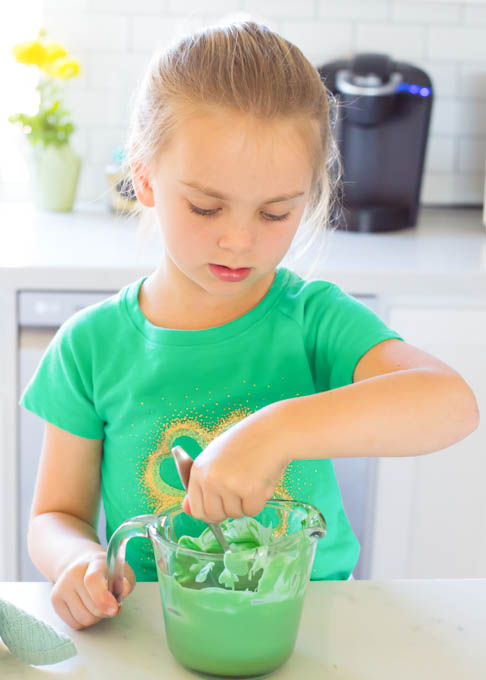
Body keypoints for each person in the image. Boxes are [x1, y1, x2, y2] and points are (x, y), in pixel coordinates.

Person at [20, 21, 479, 631]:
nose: (239, 240)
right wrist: (77, 561)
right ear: (147, 177)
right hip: (158, 626)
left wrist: (273, 433)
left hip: (308, 621)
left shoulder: (313, 319)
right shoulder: (89, 347)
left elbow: (451, 404)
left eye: (275, 212)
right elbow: (55, 515)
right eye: (206, 206)